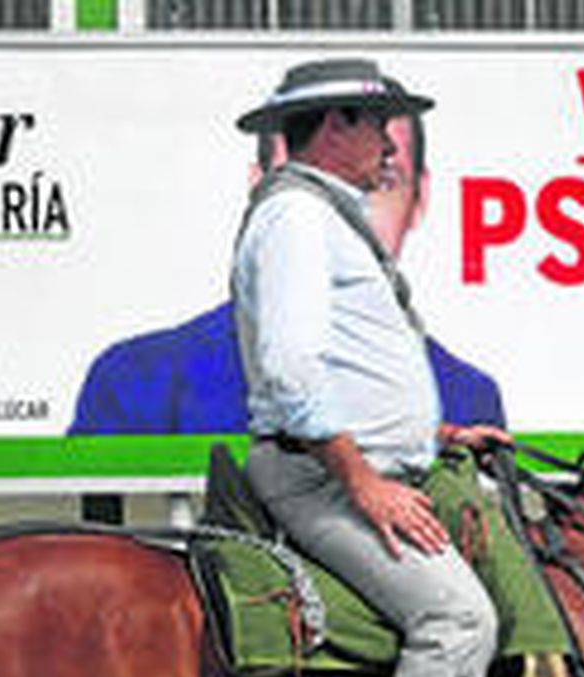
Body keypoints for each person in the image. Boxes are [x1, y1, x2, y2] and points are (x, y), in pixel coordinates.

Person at [232, 58, 517, 677]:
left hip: (362, 464)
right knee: (458, 618)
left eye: (393, 128)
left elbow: (347, 370)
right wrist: (365, 479)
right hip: (319, 480)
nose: (393, 146)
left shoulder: (326, 220)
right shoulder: (293, 221)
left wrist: (427, 442)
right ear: (332, 127)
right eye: (378, 124)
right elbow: (288, 368)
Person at [67, 95, 504, 435]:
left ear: (418, 201)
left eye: (379, 185)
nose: (333, 213)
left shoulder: (466, 398)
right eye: (302, 186)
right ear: (259, 191)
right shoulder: (135, 383)